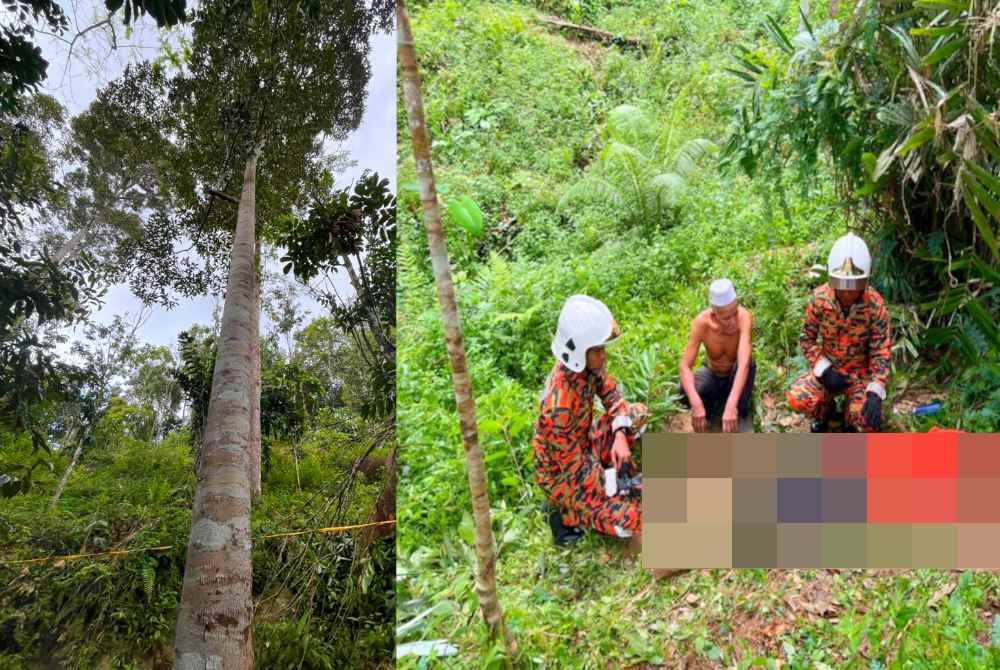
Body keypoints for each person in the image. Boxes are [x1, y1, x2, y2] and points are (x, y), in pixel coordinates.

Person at [534, 295, 650, 548]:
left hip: (585, 447)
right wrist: (623, 484)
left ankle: (609, 474)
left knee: (637, 414)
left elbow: (612, 395)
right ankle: (565, 511)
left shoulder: (587, 367)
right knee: (631, 519)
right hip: (565, 475)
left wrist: (620, 436)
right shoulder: (559, 408)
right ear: (579, 352)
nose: (604, 355)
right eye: (598, 349)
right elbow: (575, 470)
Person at [786, 232, 891, 432]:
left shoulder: (875, 305)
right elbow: (806, 339)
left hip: (860, 376)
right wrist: (824, 370)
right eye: (842, 285)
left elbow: (881, 351)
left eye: (854, 285)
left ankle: (850, 417)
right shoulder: (820, 299)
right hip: (829, 371)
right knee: (798, 398)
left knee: (866, 421)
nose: (847, 291)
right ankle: (825, 411)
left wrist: (876, 391)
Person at [677, 279, 755, 433]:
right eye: (726, 318)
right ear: (714, 314)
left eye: (735, 313)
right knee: (684, 391)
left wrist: (732, 404)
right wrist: (696, 404)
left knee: (748, 364)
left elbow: (744, 363)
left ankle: (740, 411)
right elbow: (684, 366)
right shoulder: (701, 323)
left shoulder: (744, 317)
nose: (733, 321)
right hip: (713, 374)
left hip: (736, 374)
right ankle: (711, 411)